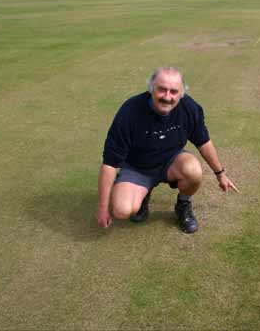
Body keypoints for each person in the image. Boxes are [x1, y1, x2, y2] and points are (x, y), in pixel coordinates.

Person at [95, 66, 238, 233]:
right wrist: (102, 208)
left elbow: (203, 142)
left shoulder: (189, 108)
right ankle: (142, 194)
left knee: (193, 170)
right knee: (122, 210)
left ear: (181, 93)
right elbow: (110, 163)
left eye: (173, 91)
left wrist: (220, 174)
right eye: (161, 90)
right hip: (137, 167)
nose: (167, 97)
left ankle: (183, 205)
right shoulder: (130, 111)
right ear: (151, 89)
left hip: (171, 163)